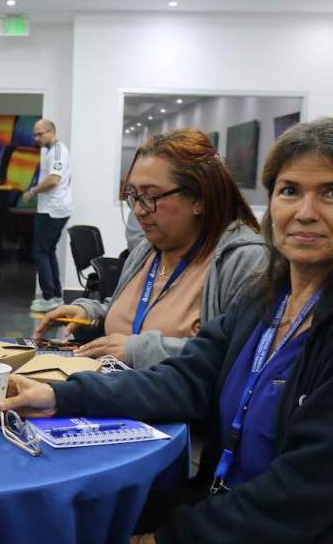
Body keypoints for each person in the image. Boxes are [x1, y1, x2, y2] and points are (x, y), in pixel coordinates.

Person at [0, 118, 333, 544]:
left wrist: (169, 538)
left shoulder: (245, 268)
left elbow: (300, 495)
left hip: (289, 543)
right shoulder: (267, 297)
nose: (305, 211)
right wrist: (60, 395)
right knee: (72, 524)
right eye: (289, 190)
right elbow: (188, 378)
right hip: (221, 499)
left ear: (198, 199)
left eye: (329, 193)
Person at [34, 128, 267, 369]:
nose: (138, 210)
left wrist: (136, 350)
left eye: (151, 196)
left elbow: (238, 358)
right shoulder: (149, 249)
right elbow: (128, 313)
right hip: (112, 394)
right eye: (134, 195)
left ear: (199, 199)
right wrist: (89, 313)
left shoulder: (243, 260)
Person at [23, 119, 72, 312]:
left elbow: (53, 179)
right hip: (53, 208)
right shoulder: (50, 151)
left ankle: (49, 297)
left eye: (40, 134)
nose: (36, 138)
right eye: (35, 134)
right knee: (48, 251)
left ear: (51, 131)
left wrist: (32, 191)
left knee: (40, 252)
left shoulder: (59, 151)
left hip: (53, 210)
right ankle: (56, 296)